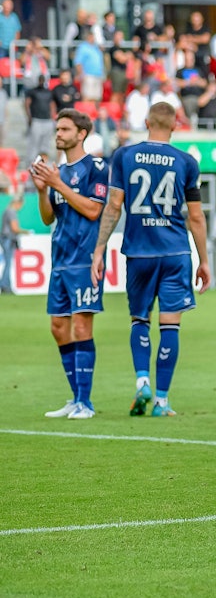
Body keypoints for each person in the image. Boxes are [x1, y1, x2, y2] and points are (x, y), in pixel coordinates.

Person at [90, 102, 210, 417]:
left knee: (139, 319)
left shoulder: (124, 156)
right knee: (170, 324)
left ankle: (142, 380)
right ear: (175, 125)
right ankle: (161, 400)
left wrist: (99, 249)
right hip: (175, 252)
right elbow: (196, 217)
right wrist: (204, 260)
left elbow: (114, 206)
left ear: (146, 122)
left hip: (139, 252)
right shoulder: (187, 162)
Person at [31, 109, 109, 420]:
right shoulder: (58, 172)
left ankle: (85, 403)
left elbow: (93, 210)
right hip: (60, 259)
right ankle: (75, 397)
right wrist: (43, 191)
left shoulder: (96, 168)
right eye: (58, 129)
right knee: (58, 327)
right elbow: (48, 217)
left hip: (85, 259)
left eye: (64, 129)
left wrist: (57, 184)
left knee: (81, 326)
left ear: (81, 134)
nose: (59, 134)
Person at [1, 192, 28, 293]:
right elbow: (14, 228)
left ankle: (6, 284)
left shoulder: (7, 210)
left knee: (8, 263)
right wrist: (26, 232)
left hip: (5, 238)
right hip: (8, 239)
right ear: (18, 203)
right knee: (8, 263)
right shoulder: (12, 212)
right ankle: (5, 285)